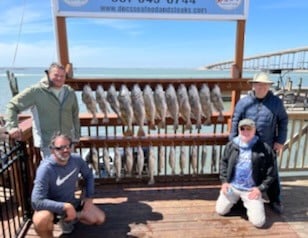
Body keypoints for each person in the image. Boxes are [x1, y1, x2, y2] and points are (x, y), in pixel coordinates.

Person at [229, 71, 288, 214]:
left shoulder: (276, 102)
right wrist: (233, 141)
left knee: (272, 172)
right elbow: (235, 120)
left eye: (265, 85)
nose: (262, 87)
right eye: (259, 84)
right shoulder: (244, 102)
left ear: (268, 86)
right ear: (253, 86)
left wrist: (280, 141)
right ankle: (240, 199)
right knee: (243, 171)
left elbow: (283, 121)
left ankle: (275, 199)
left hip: (268, 144)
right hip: (246, 145)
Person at [31, 133, 105, 237]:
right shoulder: (45, 169)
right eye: (60, 148)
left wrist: (89, 198)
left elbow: (89, 176)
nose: (65, 150)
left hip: (71, 202)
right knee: (41, 220)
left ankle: (68, 220)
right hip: (51, 208)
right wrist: (65, 207)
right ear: (52, 150)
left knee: (99, 218)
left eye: (68, 146)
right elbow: (36, 201)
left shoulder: (76, 160)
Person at [5, 62, 80, 157]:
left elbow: (75, 115)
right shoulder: (36, 91)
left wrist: (77, 136)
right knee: (51, 171)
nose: (59, 78)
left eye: (62, 76)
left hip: (68, 143)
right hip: (48, 145)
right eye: (56, 75)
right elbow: (12, 105)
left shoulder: (69, 92)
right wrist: (12, 126)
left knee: (69, 171)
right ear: (48, 74)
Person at [216, 118, 276, 228]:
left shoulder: (264, 148)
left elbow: (271, 172)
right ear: (239, 130)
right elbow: (223, 163)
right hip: (232, 187)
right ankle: (238, 202)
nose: (245, 131)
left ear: (254, 130)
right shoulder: (231, 145)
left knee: (259, 222)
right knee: (220, 211)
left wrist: (260, 188)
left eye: (249, 129)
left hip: (251, 190)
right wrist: (224, 182)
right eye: (242, 128)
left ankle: (251, 203)